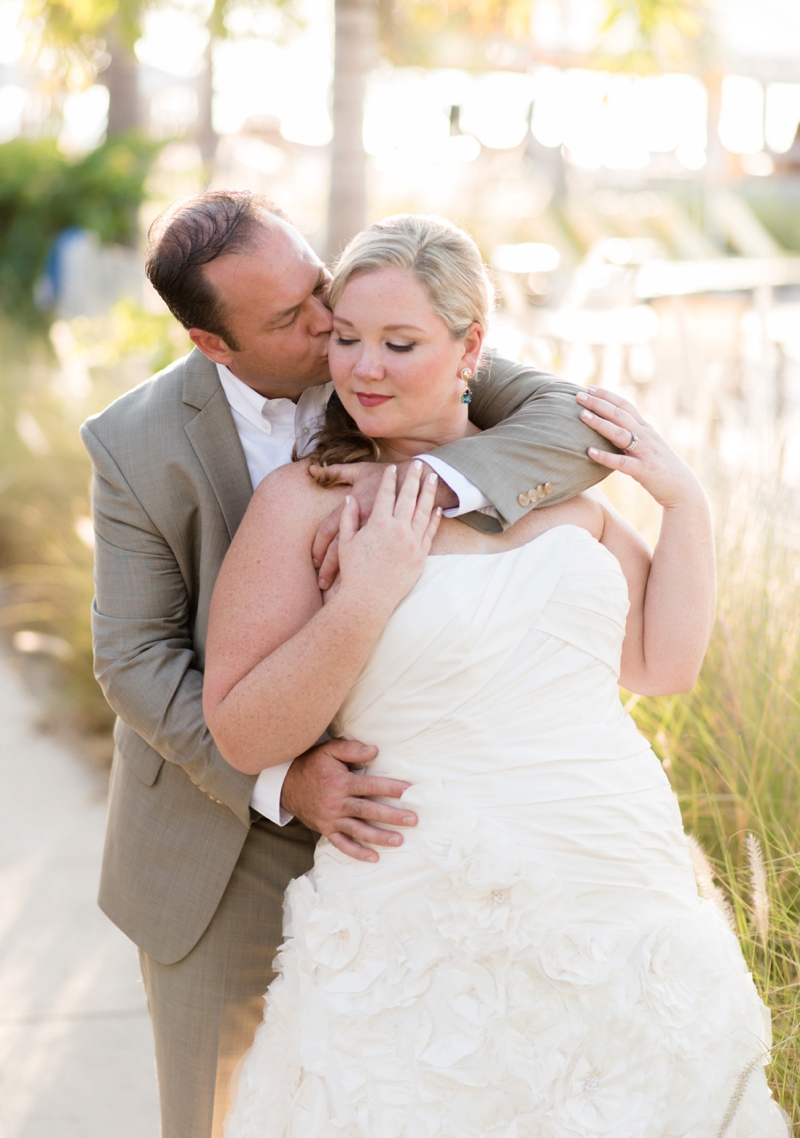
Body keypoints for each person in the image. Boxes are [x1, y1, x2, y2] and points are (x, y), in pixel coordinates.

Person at [205, 214, 787, 1136]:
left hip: (616, 875)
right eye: (347, 338)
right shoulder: (304, 503)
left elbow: (661, 663)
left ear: (471, 345)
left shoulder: (554, 484)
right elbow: (242, 729)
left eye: (400, 343)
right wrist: (366, 598)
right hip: (425, 908)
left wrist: (686, 501)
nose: (362, 369)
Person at [80, 191, 617, 1138]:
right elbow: (132, 657)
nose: (331, 323)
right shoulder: (133, 444)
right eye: (292, 320)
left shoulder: (380, 350)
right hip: (224, 842)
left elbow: (573, 425)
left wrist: (422, 490)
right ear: (215, 344)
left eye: (316, 286)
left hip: (419, 833)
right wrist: (283, 780)